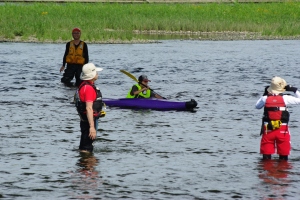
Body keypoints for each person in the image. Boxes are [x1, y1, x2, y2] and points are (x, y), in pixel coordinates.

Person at [255, 76, 300, 160]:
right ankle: (282, 170)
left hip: (268, 129)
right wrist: (294, 90)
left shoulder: (265, 98)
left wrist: (264, 94)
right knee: (283, 157)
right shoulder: (286, 98)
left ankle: (266, 172)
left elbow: (257, 106)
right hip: (282, 129)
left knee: (266, 158)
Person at [74, 63, 104, 153]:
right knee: (86, 149)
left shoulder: (85, 85)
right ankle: (87, 164)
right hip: (88, 122)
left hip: (86, 121)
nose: (97, 74)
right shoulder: (88, 88)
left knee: (85, 146)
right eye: (96, 72)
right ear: (91, 75)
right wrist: (92, 127)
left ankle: (85, 163)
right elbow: (89, 108)